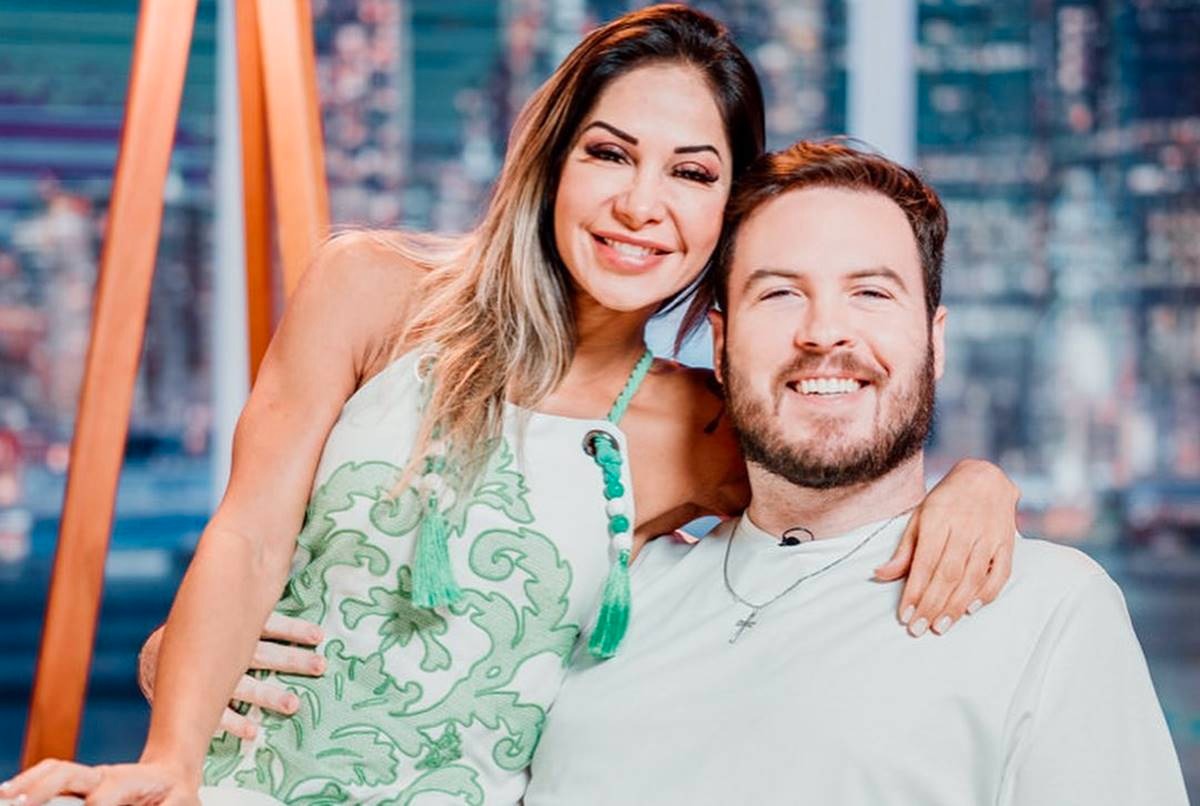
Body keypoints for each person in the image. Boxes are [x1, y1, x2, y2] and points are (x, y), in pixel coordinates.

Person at [3, 7, 1021, 806]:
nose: (641, 205)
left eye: (691, 173)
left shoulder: (701, 426)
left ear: (727, 211)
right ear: (553, 158)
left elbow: (845, 509)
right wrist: (173, 746)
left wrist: (977, 485)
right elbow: (250, 531)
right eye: (609, 153)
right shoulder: (371, 290)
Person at [524, 140, 1189, 805]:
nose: (824, 332)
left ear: (934, 343)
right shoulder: (613, 593)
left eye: (870, 292)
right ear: (721, 347)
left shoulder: (1046, 611)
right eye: (781, 293)